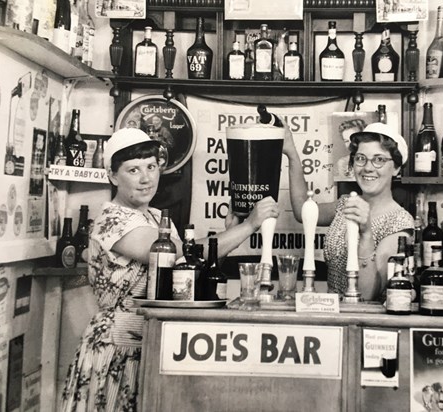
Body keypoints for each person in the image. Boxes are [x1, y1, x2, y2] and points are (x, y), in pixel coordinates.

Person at [61, 128, 279, 411]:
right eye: (133, 170)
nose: (145, 178)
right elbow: (174, 250)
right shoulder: (112, 220)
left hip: (153, 343)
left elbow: (188, 273)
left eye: (151, 167)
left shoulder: (155, 217)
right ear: (113, 176)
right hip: (116, 348)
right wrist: (249, 226)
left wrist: (231, 232)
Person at [284, 121, 413, 301]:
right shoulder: (346, 204)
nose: (368, 167)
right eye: (361, 158)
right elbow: (303, 210)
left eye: (379, 160)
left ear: (396, 168)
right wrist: (291, 152)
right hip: (333, 315)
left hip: (365, 322)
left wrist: (366, 234)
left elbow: (367, 295)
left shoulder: (399, 223)